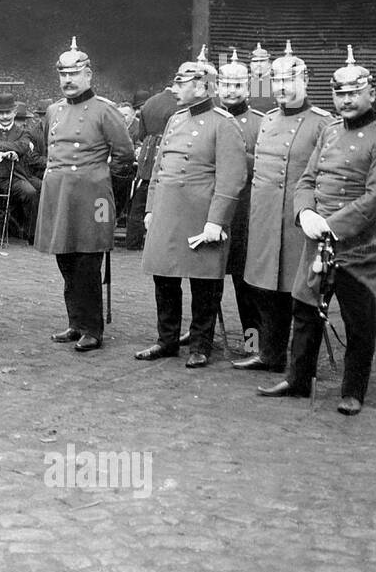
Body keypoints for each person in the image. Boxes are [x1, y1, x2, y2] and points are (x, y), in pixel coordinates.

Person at [258, 47, 376, 414]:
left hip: (359, 248)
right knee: (305, 311)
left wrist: (330, 226)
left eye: (354, 93)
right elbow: (307, 178)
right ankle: (297, 379)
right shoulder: (330, 131)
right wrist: (304, 211)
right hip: (316, 240)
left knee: (358, 321)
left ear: (371, 94)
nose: (347, 100)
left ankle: (353, 391)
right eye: (340, 94)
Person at [137, 47, 247, 368]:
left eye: (180, 82)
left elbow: (231, 178)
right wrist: (151, 208)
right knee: (164, 277)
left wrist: (216, 221)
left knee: (204, 282)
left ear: (201, 86)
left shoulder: (224, 123)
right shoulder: (175, 118)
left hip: (202, 216)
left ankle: (201, 344)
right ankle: (166, 340)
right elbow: (159, 168)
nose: (174, 88)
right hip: (168, 214)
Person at [235, 41, 333, 373]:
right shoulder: (267, 120)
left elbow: (325, 175)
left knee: (299, 292)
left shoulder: (323, 123)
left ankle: (301, 364)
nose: (281, 88)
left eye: (289, 81)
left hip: (297, 220)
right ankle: (268, 354)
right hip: (264, 216)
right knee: (264, 289)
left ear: (305, 81)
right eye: (275, 82)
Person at [34, 37, 136, 352]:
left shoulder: (106, 111)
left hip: (95, 198)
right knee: (65, 259)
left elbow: (124, 159)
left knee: (88, 263)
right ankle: (75, 322)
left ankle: (93, 329)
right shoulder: (53, 110)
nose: (67, 80)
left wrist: (108, 199)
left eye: (74, 74)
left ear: (88, 76)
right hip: (59, 195)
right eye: (63, 74)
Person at [216, 48, 266, 348]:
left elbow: (265, 167)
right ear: (217, 87)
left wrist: (238, 159)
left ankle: (253, 342)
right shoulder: (208, 119)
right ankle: (202, 332)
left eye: (238, 85)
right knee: (206, 281)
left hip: (246, 214)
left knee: (246, 285)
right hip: (213, 213)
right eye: (226, 85)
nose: (232, 91)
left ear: (248, 87)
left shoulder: (261, 122)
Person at [123, 84, 176, 250]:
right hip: (166, 151)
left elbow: (141, 134)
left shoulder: (150, 103)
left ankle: (132, 241)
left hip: (147, 154)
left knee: (139, 201)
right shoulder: (179, 103)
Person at [0, 91, 42, 244]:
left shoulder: (23, 132)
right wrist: (5, 149)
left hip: (15, 177)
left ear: (14, 112)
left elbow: (23, 146)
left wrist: (1, 147)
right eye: (1, 113)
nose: (5, 116)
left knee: (31, 192)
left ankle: (30, 234)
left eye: (8, 112)